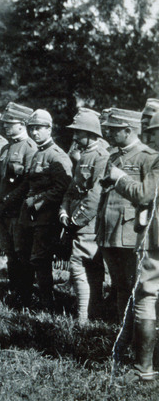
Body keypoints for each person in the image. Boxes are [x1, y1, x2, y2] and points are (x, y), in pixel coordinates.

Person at [109, 112, 159, 382]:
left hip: (156, 240)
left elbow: (144, 194)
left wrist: (119, 178)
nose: (150, 137)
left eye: (154, 132)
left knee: (146, 297)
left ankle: (144, 369)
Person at [97, 108, 156, 327]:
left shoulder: (147, 157)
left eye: (114, 130)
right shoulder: (113, 155)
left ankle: (136, 335)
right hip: (110, 231)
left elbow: (146, 196)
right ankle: (124, 331)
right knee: (120, 285)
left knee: (136, 286)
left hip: (132, 232)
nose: (109, 134)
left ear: (128, 130)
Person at [16, 109, 72, 310]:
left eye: (38, 128)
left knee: (40, 260)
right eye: (31, 128)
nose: (34, 133)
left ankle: (47, 304)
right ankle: (25, 300)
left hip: (45, 217)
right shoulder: (37, 152)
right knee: (24, 257)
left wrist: (38, 203)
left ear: (50, 129)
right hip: (28, 216)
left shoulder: (57, 156)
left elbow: (62, 188)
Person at [59, 109, 108, 323]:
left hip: (89, 222)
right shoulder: (83, 156)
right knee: (91, 269)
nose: (75, 137)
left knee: (79, 266)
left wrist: (75, 220)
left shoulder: (101, 157)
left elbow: (95, 195)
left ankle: (82, 317)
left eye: (79, 133)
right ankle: (92, 313)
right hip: (77, 219)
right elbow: (72, 188)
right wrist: (63, 210)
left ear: (91, 133)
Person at [0, 102, 37, 308]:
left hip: (18, 212)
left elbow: (27, 183)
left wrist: (7, 201)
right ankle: (13, 290)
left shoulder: (30, 148)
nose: (6, 127)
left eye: (10, 123)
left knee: (21, 253)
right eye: (5, 123)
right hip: (2, 211)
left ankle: (24, 296)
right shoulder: (6, 147)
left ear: (23, 124)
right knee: (9, 252)